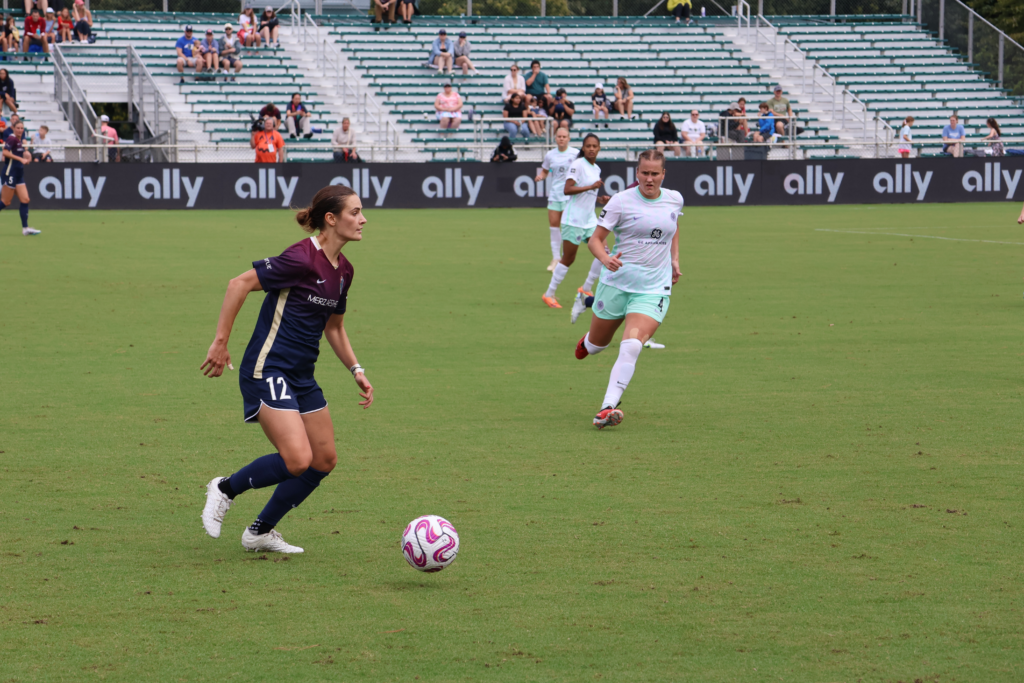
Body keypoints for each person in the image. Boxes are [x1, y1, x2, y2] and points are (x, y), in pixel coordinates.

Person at [199, 185, 374, 554]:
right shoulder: (300, 258)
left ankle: (260, 531)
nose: (363, 219)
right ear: (331, 219)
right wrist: (220, 341)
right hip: (268, 368)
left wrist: (355, 368)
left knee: (323, 460)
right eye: (355, 212)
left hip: (301, 375)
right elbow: (239, 284)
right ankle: (224, 488)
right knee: (297, 460)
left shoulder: (344, 271)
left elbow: (335, 327)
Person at [575, 149, 681, 429]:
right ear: (637, 173)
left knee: (633, 344)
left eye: (654, 173)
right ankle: (587, 341)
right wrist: (605, 258)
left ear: (663, 174)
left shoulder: (674, 199)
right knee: (597, 346)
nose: (649, 178)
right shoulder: (621, 201)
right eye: (644, 173)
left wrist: (674, 259)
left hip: (653, 288)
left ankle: (607, 406)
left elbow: (673, 224)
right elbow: (595, 240)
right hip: (616, 285)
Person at [542, 133, 610, 310]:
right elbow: (568, 189)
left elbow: (587, 194)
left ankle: (586, 288)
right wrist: (591, 187)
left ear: (599, 148)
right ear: (583, 148)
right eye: (588, 146)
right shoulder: (577, 164)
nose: (592, 149)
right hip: (573, 219)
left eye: (595, 146)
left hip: (589, 219)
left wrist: (600, 199)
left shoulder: (596, 168)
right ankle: (549, 294)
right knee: (569, 258)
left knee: (605, 254)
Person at [535, 126, 579, 272]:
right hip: (555, 194)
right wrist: (541, 176)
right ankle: (555, 258)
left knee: (567, 227)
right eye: (559, 136)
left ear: (569, 138)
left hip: (569, 195)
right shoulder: (550, 155)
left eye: (564, 137)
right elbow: (545, 171)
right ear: (555, 138)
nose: (561, 139)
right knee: (554, 226)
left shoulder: (575, 153)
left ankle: (565, 259)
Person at [0, 120, 37, 236]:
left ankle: (25, 229)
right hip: (10, 173)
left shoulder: (20, 141)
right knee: (6, 202)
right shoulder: (11, 138)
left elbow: (19, 154)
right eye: (18, 128)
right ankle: (25, 228)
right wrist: (20, 159)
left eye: (22, 128)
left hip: (18, 174)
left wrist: (26, 158)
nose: (20, 130)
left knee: (25, 200)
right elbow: (5, 153)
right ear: (14, 128)